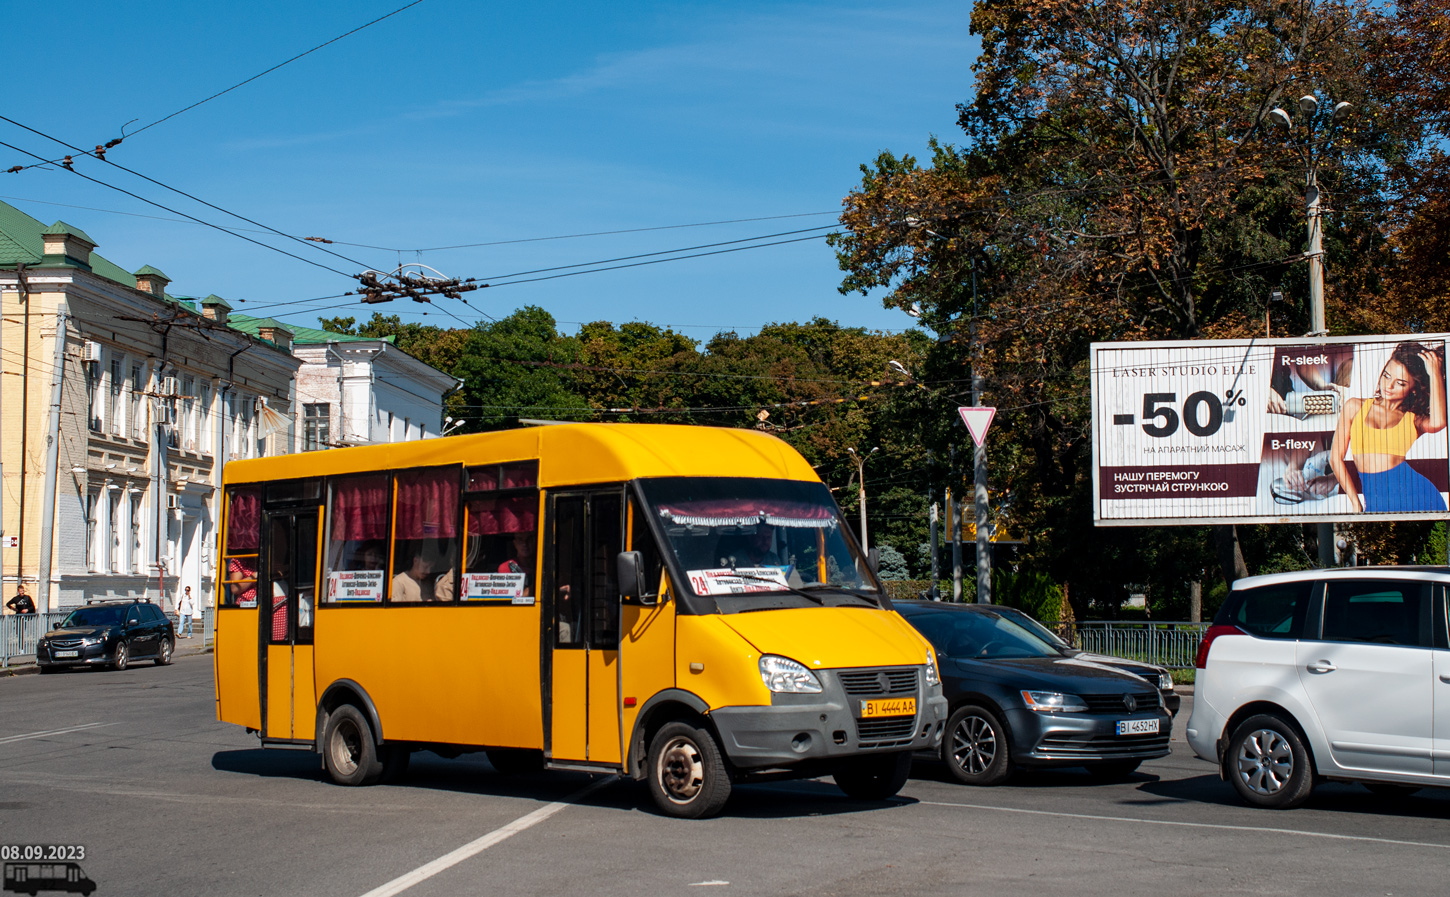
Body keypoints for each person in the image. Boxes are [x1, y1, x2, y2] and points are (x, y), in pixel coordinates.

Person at [1330, 341, 1448, 513]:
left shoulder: (1413, 419)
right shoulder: (1354, 407)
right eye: (1386, 375)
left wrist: (1435, 374)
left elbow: (1439, 422)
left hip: (1419, 497)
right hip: (1376, 500)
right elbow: (1335, 459)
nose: (1389, 386)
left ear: (1413, 389)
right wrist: (1355, 503)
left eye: (1400, 383)